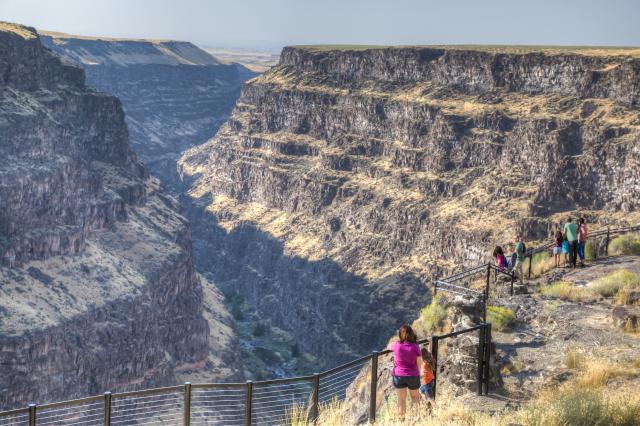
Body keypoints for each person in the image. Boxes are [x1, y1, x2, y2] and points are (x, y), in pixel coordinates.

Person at [389, 325, 422, 417]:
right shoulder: (415, 347)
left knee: (401, 400)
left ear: (400, 334)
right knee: (415, 398)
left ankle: (402, 420)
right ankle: (415, 419)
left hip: (399, 375)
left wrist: (398, 340)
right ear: (412, 334)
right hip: (413, 375)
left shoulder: (396, 345)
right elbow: (419, 363)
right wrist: (421, 375)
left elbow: (389, 347)